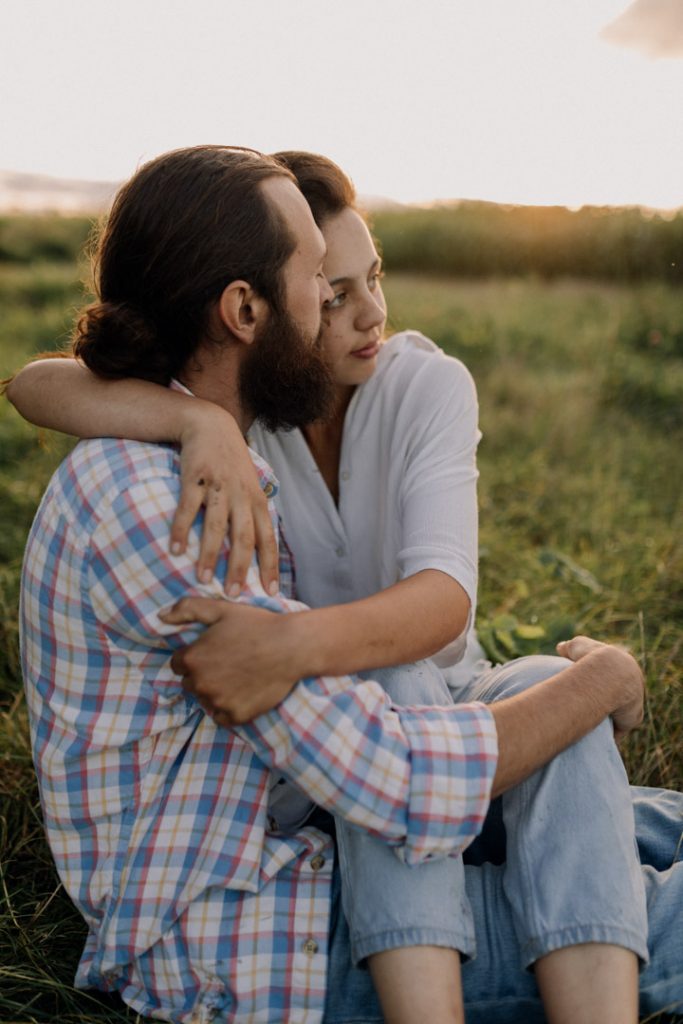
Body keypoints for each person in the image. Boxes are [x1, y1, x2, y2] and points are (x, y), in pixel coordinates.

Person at [9, 146, 682, 1024]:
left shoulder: (196, 450)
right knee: (647, 908)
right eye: (319, 280)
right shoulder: (182, 511)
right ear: (245, 309)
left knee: (586, 785)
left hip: (285, 811)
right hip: (244, 926)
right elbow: (399, 782)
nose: (348, 305)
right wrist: (601, 679)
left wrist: (198, 416)